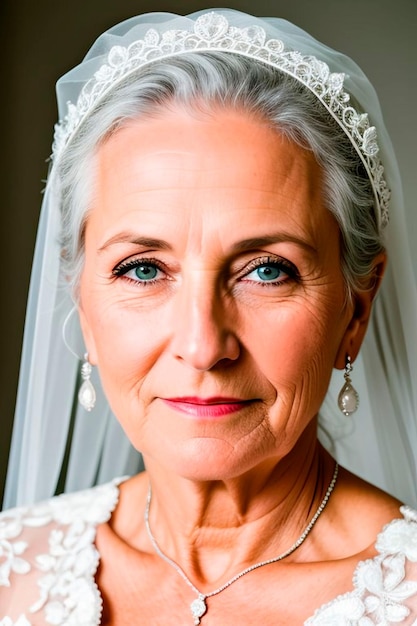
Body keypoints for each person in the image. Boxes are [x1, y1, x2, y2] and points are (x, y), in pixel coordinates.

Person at [1, 8, 417, 625]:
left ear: (355, 309)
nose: (202, 345)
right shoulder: (12, 568)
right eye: (143, 269)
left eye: (266, 270)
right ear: (83, 305)